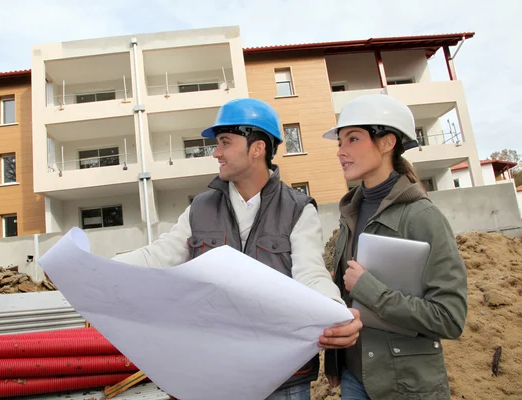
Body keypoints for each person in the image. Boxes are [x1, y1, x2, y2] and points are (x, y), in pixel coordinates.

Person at [113, 98, 363, 399]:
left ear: (256, 148)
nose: (216, 153)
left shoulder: (297, 209)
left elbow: (310, 274)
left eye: (224, 143)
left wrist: (335, 314)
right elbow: (160, 256)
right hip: (213, 374)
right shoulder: (201, 208)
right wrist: (96, 267)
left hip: (281, 379)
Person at [321, 93, 468, 399]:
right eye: (340, 142)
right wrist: (335, 363)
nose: (341, 151)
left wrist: (370, 290)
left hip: (406, 386)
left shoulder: (423, 217)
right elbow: (344, 298)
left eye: (353, 139)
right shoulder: (350, 213)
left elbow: (449, 318)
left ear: (387, 143)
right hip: (354, 377)